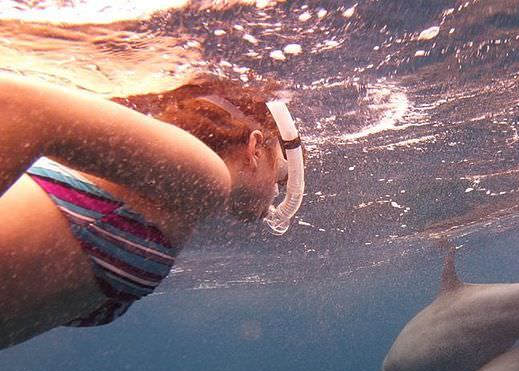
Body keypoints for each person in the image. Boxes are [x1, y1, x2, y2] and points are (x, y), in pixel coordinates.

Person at [0, 73, 305, 349]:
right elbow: (16, 107)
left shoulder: (179, 202)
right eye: (279, 174)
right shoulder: (207, 178)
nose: (276, 191)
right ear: (254, 148)